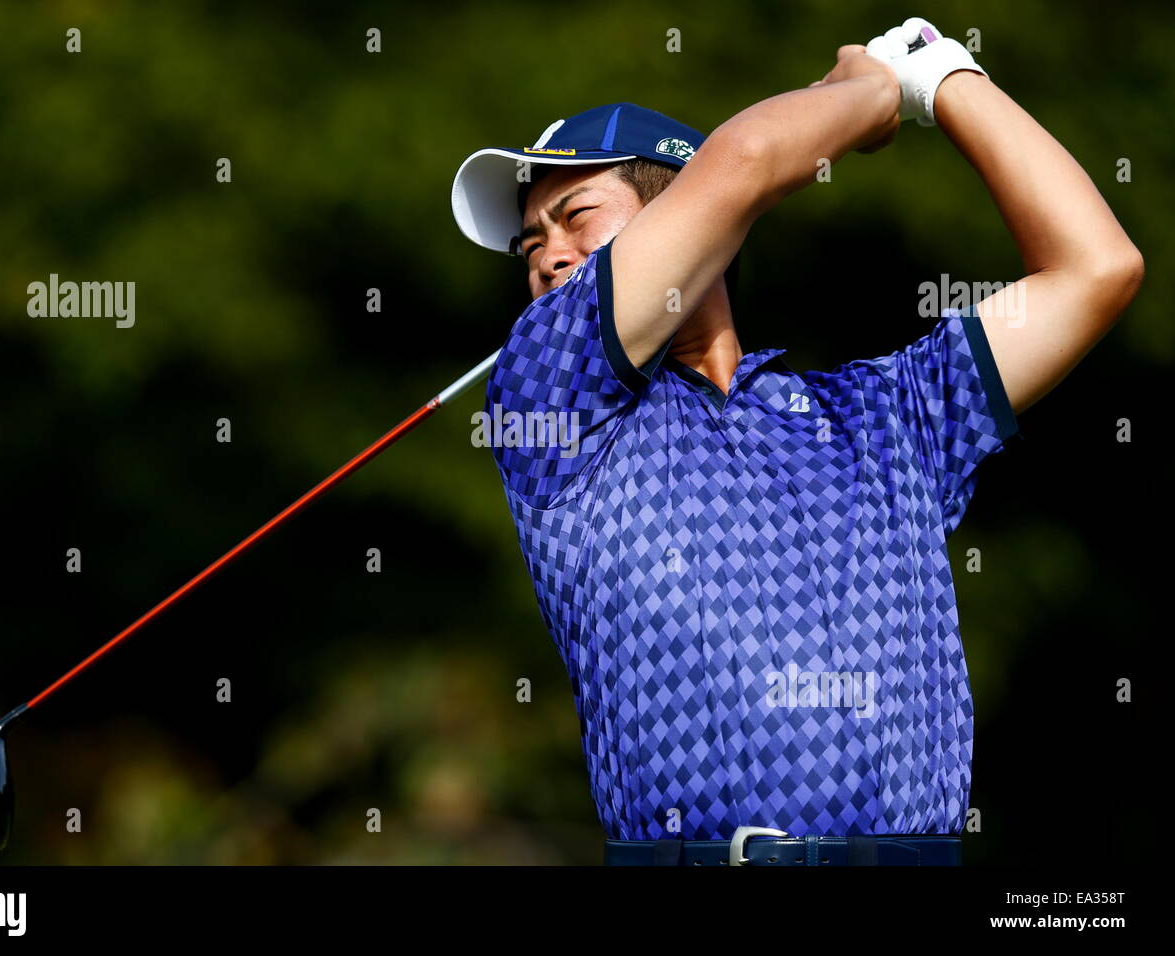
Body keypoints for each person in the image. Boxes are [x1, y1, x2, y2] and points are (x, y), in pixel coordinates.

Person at [449, 19, 1142, 865]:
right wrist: (867, 88)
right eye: (529, 245)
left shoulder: (885, 416)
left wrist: (942, 76)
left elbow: (1096, 268)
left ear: (685, 216)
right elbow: (744, 162)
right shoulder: (551, 401)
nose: (546, 259)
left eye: (575, 217)